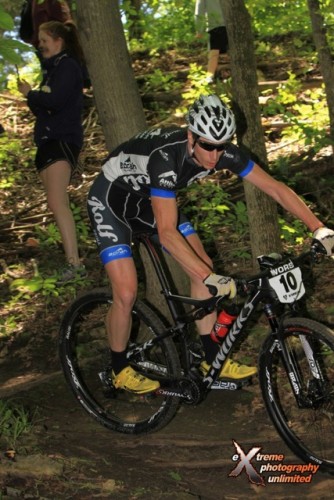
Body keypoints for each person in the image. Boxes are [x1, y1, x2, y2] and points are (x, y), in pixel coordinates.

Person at [87, 94, 334, 395]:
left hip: (152, 201)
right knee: (126, 291)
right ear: (191, 136)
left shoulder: (224, 152)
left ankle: (210, 359)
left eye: (222, 145)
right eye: (207, 146)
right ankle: (117, 368)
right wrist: (209, 278)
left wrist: (318, 228)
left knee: (202, 264)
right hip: (112, 203)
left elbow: (275, 188)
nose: (214, 156)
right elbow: (167, 233)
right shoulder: (166, 158)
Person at [18, 21, 86, 283]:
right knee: (54, 203)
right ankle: (73, 262)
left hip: (62, 140)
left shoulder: (68, 66)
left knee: (58, 203)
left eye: (44, 39)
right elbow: (43, 108)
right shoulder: (52, 71)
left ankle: (75, 264)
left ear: (59, 41)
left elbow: (54, 101)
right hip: (47, 142)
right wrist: (32, 96)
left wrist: (30, 93)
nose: (40, 44)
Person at [195, 0, 229, 83]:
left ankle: (213, 76)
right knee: (219, 51)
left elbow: (199, 13)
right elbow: (199, 13)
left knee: (216, 52)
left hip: (221, 25)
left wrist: (199, 30)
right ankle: (211, 76)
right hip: (223, 25)